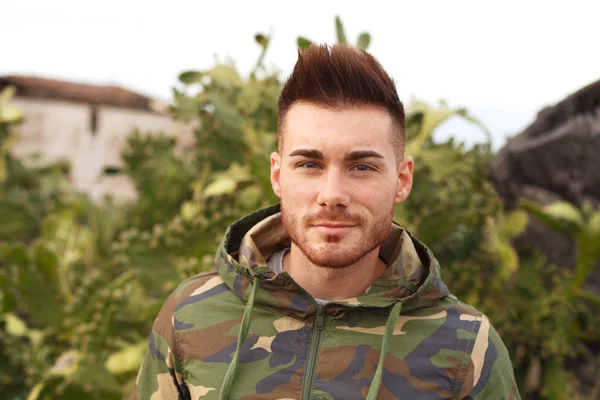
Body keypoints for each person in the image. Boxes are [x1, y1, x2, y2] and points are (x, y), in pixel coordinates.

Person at [131, 44, 520, 400]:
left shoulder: (469, 347)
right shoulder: (189, 315)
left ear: (402, 180)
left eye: (362, 166)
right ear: (278, 175)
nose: (332, 193)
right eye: (310, 164)